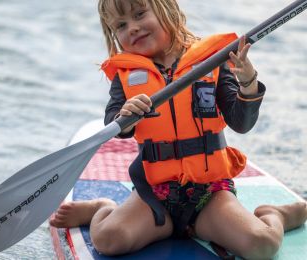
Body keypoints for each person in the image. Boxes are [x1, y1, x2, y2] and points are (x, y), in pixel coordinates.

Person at [49, 0, 307, 258]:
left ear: (168, 10)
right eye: (121, 25)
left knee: (261, 244)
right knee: (107, 239)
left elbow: (242, 123)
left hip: (209, 193)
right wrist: (126, 113)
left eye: (140, 14)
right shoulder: (126, 76)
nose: (134, 28)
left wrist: (248, 83)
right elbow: (115, 126)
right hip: (155, 196)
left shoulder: (212, 62)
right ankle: (103, 208)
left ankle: (275, 215)